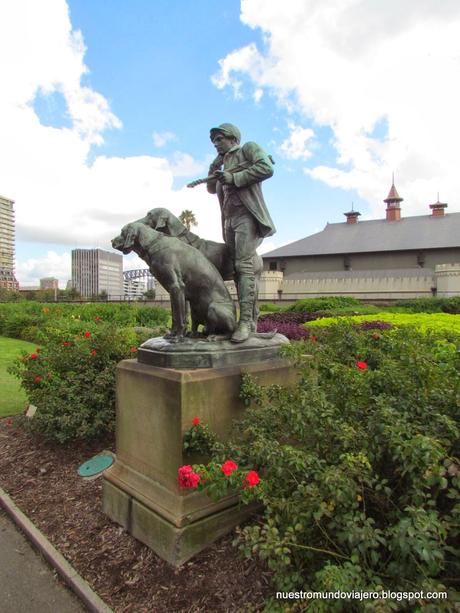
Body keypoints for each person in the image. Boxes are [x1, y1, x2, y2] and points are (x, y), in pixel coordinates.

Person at [207, 123, 276, 342]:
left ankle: (246, 323)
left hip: (247, 216)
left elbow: (267, 168)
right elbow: (210, 187)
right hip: (229, 220)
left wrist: (235, 178)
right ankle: (247, 320)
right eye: (214, 141)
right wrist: (215, 166)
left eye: (219, 139)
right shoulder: (224, 161)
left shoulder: (248, 149)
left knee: (243, 265)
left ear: (232, 138)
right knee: (237, 270)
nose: (216, 144)